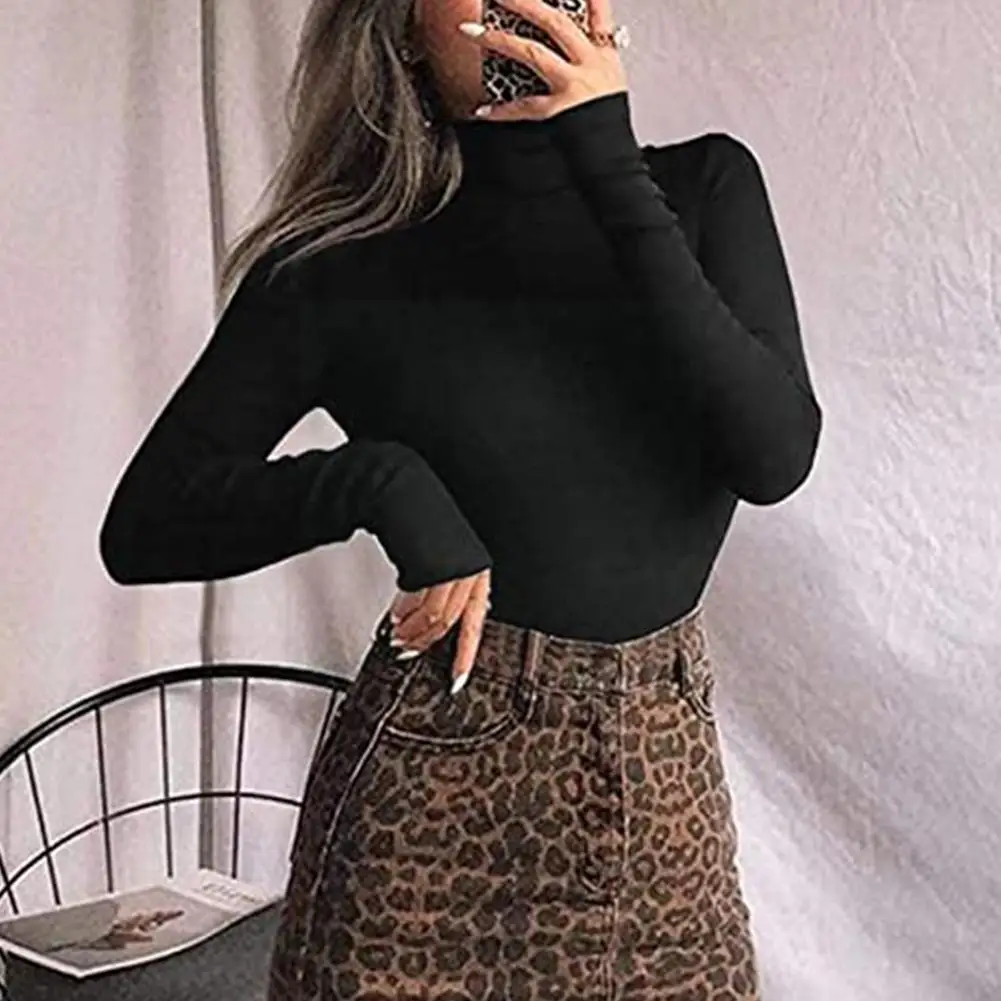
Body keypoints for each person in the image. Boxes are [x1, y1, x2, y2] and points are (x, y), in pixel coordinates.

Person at [98, 0, 823, 997]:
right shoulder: (338, 261)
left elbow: (772, 456)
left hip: (661, 791)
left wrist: (607, 163)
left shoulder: (702, 189)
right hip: (424, 803)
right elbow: (146, 523)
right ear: (401, 27)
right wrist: (375, 479)